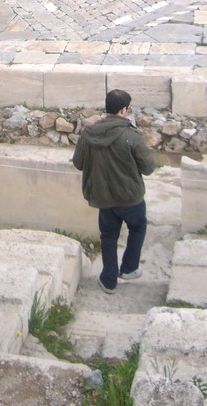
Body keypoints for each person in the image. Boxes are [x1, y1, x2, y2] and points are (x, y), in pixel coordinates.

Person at [72, 89, 155, 294]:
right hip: (130, 197)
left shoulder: (89, 134)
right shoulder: (131, 135)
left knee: (108, 236)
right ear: (124, 110)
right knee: (138, 228)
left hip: (103, 197)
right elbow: (148, 168)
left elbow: (78, 163)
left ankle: (109, 280)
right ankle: (129, 268)